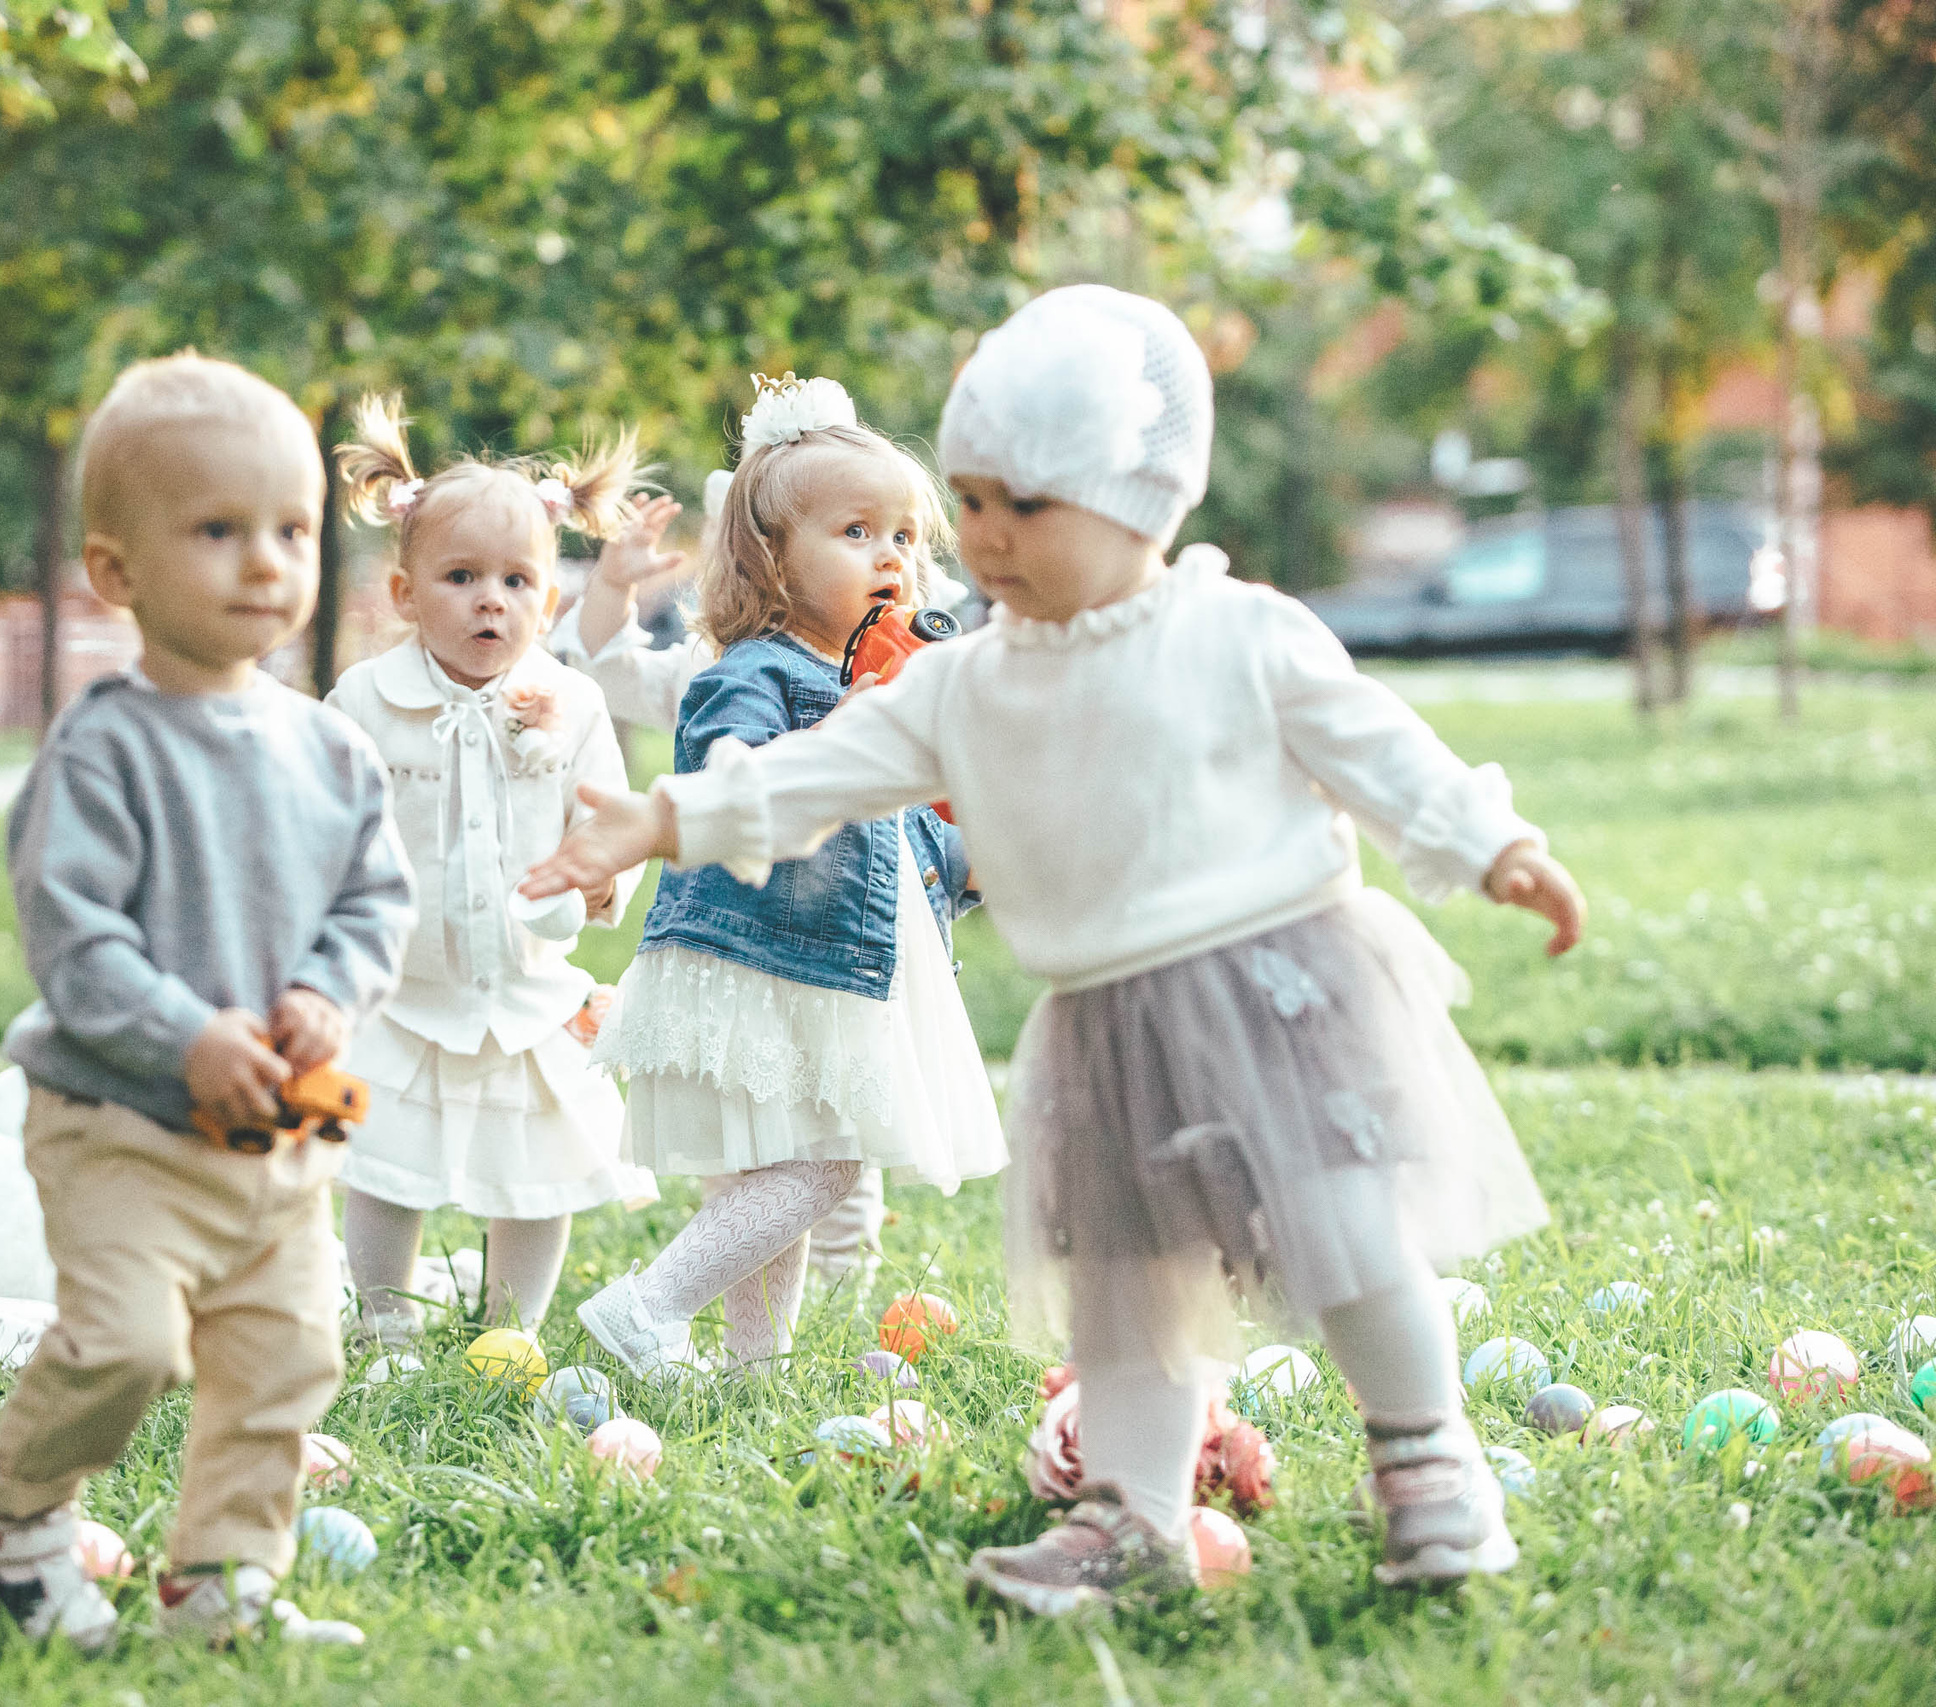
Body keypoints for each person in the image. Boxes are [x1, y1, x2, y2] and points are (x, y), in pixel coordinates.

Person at [523, 287, 1588, 1603]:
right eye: (969, 501)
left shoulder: (1236, 630)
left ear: (1137, 498)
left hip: (1270, 986)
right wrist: (663, 814)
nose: (978, 536)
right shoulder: (965, 676)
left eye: (1021, 505)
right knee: (1128, 1292)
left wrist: (1491, 840)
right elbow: (822, 769)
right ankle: (1131, 1516)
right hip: (1106, 1024)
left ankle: (1432, 1464)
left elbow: (1373, 741)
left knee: (1346, 1238)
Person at [0, 352, 415, 1652]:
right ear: (117, 571)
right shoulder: (101, 747)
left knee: (283, 1362)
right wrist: (186, 1032)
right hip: (123, 1123)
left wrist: (328, 990)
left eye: (292, 530)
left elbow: (373, 904)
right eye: (218, 530)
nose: (265, 561)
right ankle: (16, 1508)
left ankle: (222, 1579)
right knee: (127, 1342)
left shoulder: (333, 750)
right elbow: (75, 940)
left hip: (276, 1146)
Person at [571, 374, 1005, 1378]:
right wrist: (849, 727)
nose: (890, 554)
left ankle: (749, 1369)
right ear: (768, 556)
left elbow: (917, 827)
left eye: (902, 534)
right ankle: (647, 1305)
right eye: (855, 531)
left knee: (779, 1163)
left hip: (837, 957)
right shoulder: (755, 671)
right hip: (769, 953)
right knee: (821, 1161)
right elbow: (737, 779)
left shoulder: (882, 677)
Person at [321, 396, 659, 1344]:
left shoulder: (574, 704)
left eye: (516, 581)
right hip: (404, 987)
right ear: (403, 594)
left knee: (536, 1164)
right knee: (384, 1161)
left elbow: (605, 815)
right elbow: (329, 822)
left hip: (526, 990)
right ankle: (382, 1321)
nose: (490, 600)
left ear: (547, 600)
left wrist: (602, 880)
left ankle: (512, 1328)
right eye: (461, 576)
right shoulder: (365, 699)